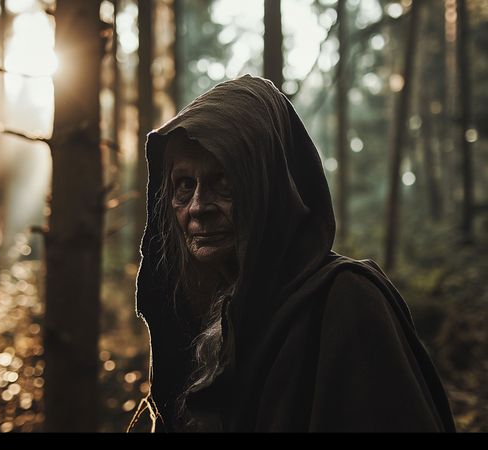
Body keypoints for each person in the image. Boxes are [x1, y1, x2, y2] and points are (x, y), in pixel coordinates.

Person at [128, 74, 456, 432]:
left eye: (223, 181)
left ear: (271, 187)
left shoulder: (347, 301)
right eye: (184, 185)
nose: (197, 206)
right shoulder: (207, 317)